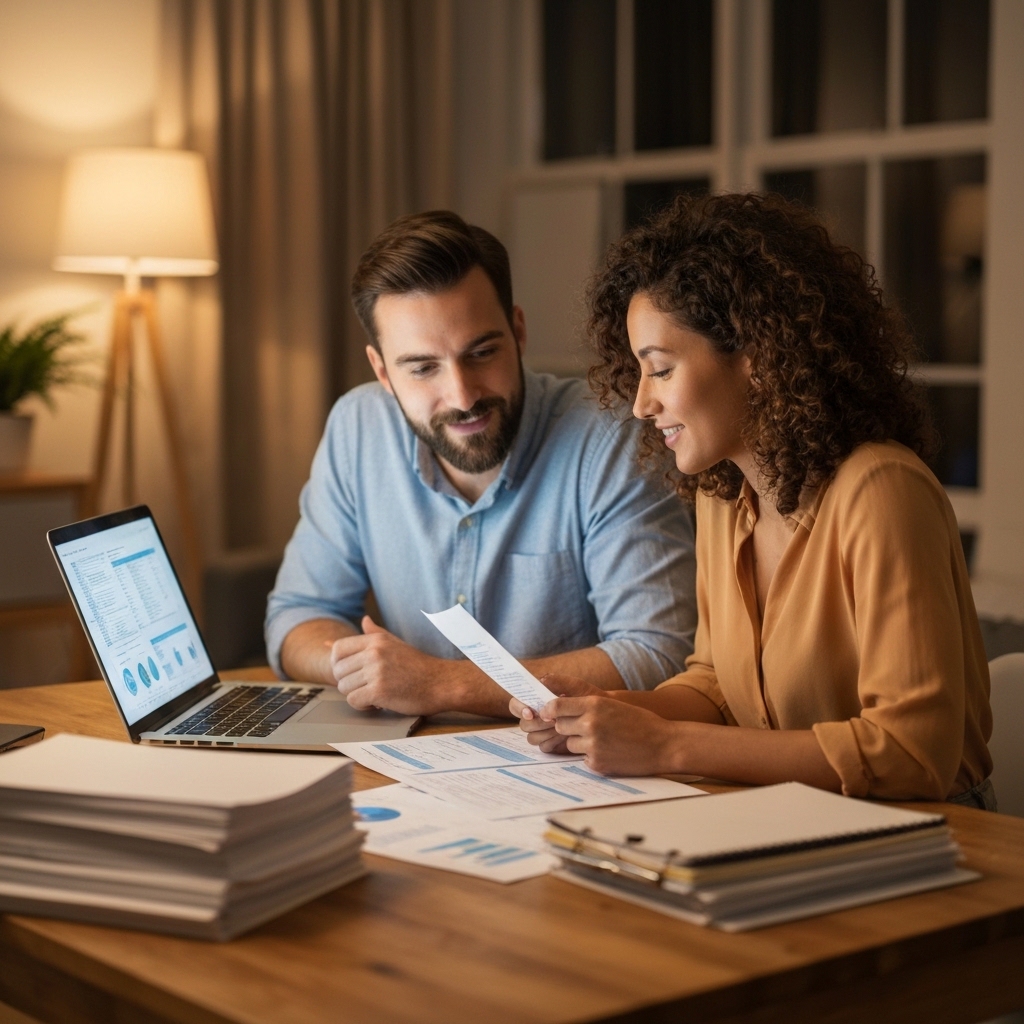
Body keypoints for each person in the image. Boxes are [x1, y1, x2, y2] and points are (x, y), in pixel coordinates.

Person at [513, 191, 995, 806]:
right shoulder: (724, 495)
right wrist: (603, 717)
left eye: (659, 369)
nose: (640, 403)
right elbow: (716, 686)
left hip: (940, 838)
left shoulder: (881, 492)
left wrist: (667, 747)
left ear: (758, 358)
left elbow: (910, 755)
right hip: (792, 818)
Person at [266, 210, 697, 718]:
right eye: (423, 368)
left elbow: (659, 653)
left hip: (566, 767)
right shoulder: (357, 429)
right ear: (382, 371)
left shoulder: (608, 436)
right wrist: (366, 669)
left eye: (481, 353)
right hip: (407, 763)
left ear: (517, 331)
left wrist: (442, 684)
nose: (462, 395)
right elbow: (297, 617)